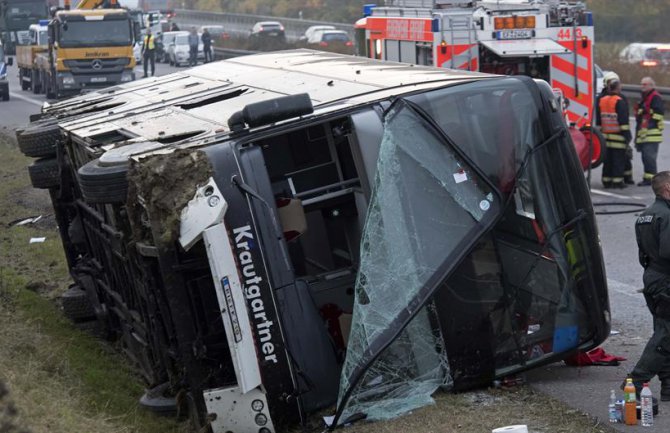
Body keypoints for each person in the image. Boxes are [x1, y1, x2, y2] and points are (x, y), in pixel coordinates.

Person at [627, 171, 670, 401]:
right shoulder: (667, 215)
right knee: (665, 336)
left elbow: (643, 254)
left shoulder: (646, 215)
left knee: (664, 331)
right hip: (665, 280)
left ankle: (668, 387)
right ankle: (635, 381)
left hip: (652, 277)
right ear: (668, 188)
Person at [599, 71, 634, 185]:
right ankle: (617, 182)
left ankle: (607, 181)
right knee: (618, 160)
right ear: (618, 87)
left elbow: (599, 120)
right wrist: (627, 135)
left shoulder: (602, 100)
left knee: (608, 161)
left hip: (605, 137)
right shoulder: (619, 101)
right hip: (618, 137)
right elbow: (623, 121)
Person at [635, 77, 665, 186]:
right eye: (641, 84)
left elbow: (658, 114)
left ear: (652, 85)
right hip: (645, 134)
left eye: (645, 84)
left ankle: (652, 180)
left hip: (652, 134)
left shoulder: (655, 97)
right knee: (645, 157)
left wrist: (646, 117)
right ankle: (648, 178)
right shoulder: (645, 98)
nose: (642, 86)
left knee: (649, 158)